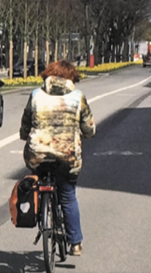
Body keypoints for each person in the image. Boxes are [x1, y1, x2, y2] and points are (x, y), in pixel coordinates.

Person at [20, 60, 96, 256]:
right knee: (68, 196)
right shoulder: (78, 97)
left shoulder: (36, 95)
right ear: (71, 78)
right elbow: (89, 128)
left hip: (38, 153)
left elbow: (26, 122)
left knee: (38, 179)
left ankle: (41, 215)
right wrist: (85, 134)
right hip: (67, 155)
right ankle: (75, 242)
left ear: (48, 76)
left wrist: (25, 135)